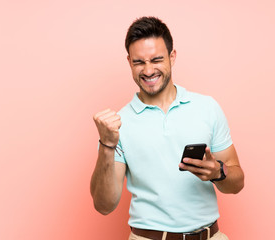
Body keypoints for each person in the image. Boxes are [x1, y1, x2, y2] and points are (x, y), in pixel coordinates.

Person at [90, 16, 244, 240]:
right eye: (139, 62)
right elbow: (104, 205)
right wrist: (106, 145)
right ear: (129, 61)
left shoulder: (207, 108)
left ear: (172, 57)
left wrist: (218, 172)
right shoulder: (117, 124)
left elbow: (237, 183)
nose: (148, 70)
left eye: (156, 59)